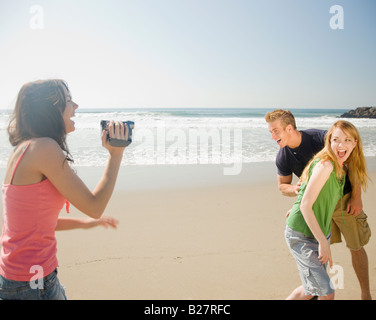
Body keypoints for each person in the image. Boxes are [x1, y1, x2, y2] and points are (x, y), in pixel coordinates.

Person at [0, 79, 128, 300]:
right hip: (31, 283)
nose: (76, 106)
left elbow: (33, 224)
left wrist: (87, 223)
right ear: (50, 109)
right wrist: (115, 155)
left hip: (27, 278)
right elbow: (95, 205)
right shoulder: (44, 148)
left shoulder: (23, 149)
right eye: (69, 100)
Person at [265, 109, 372, 300]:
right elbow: (283, 187)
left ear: (289, 128)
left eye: (275, 131)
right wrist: (299, 196)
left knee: (354, 248)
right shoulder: (290, 157)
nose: (272, 136)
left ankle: (366, 294)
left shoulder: (321, 139)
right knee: (320, 285)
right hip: (312, 211)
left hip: (342, 199)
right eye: (270, 132)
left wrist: (356, 196)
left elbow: (351, 160)